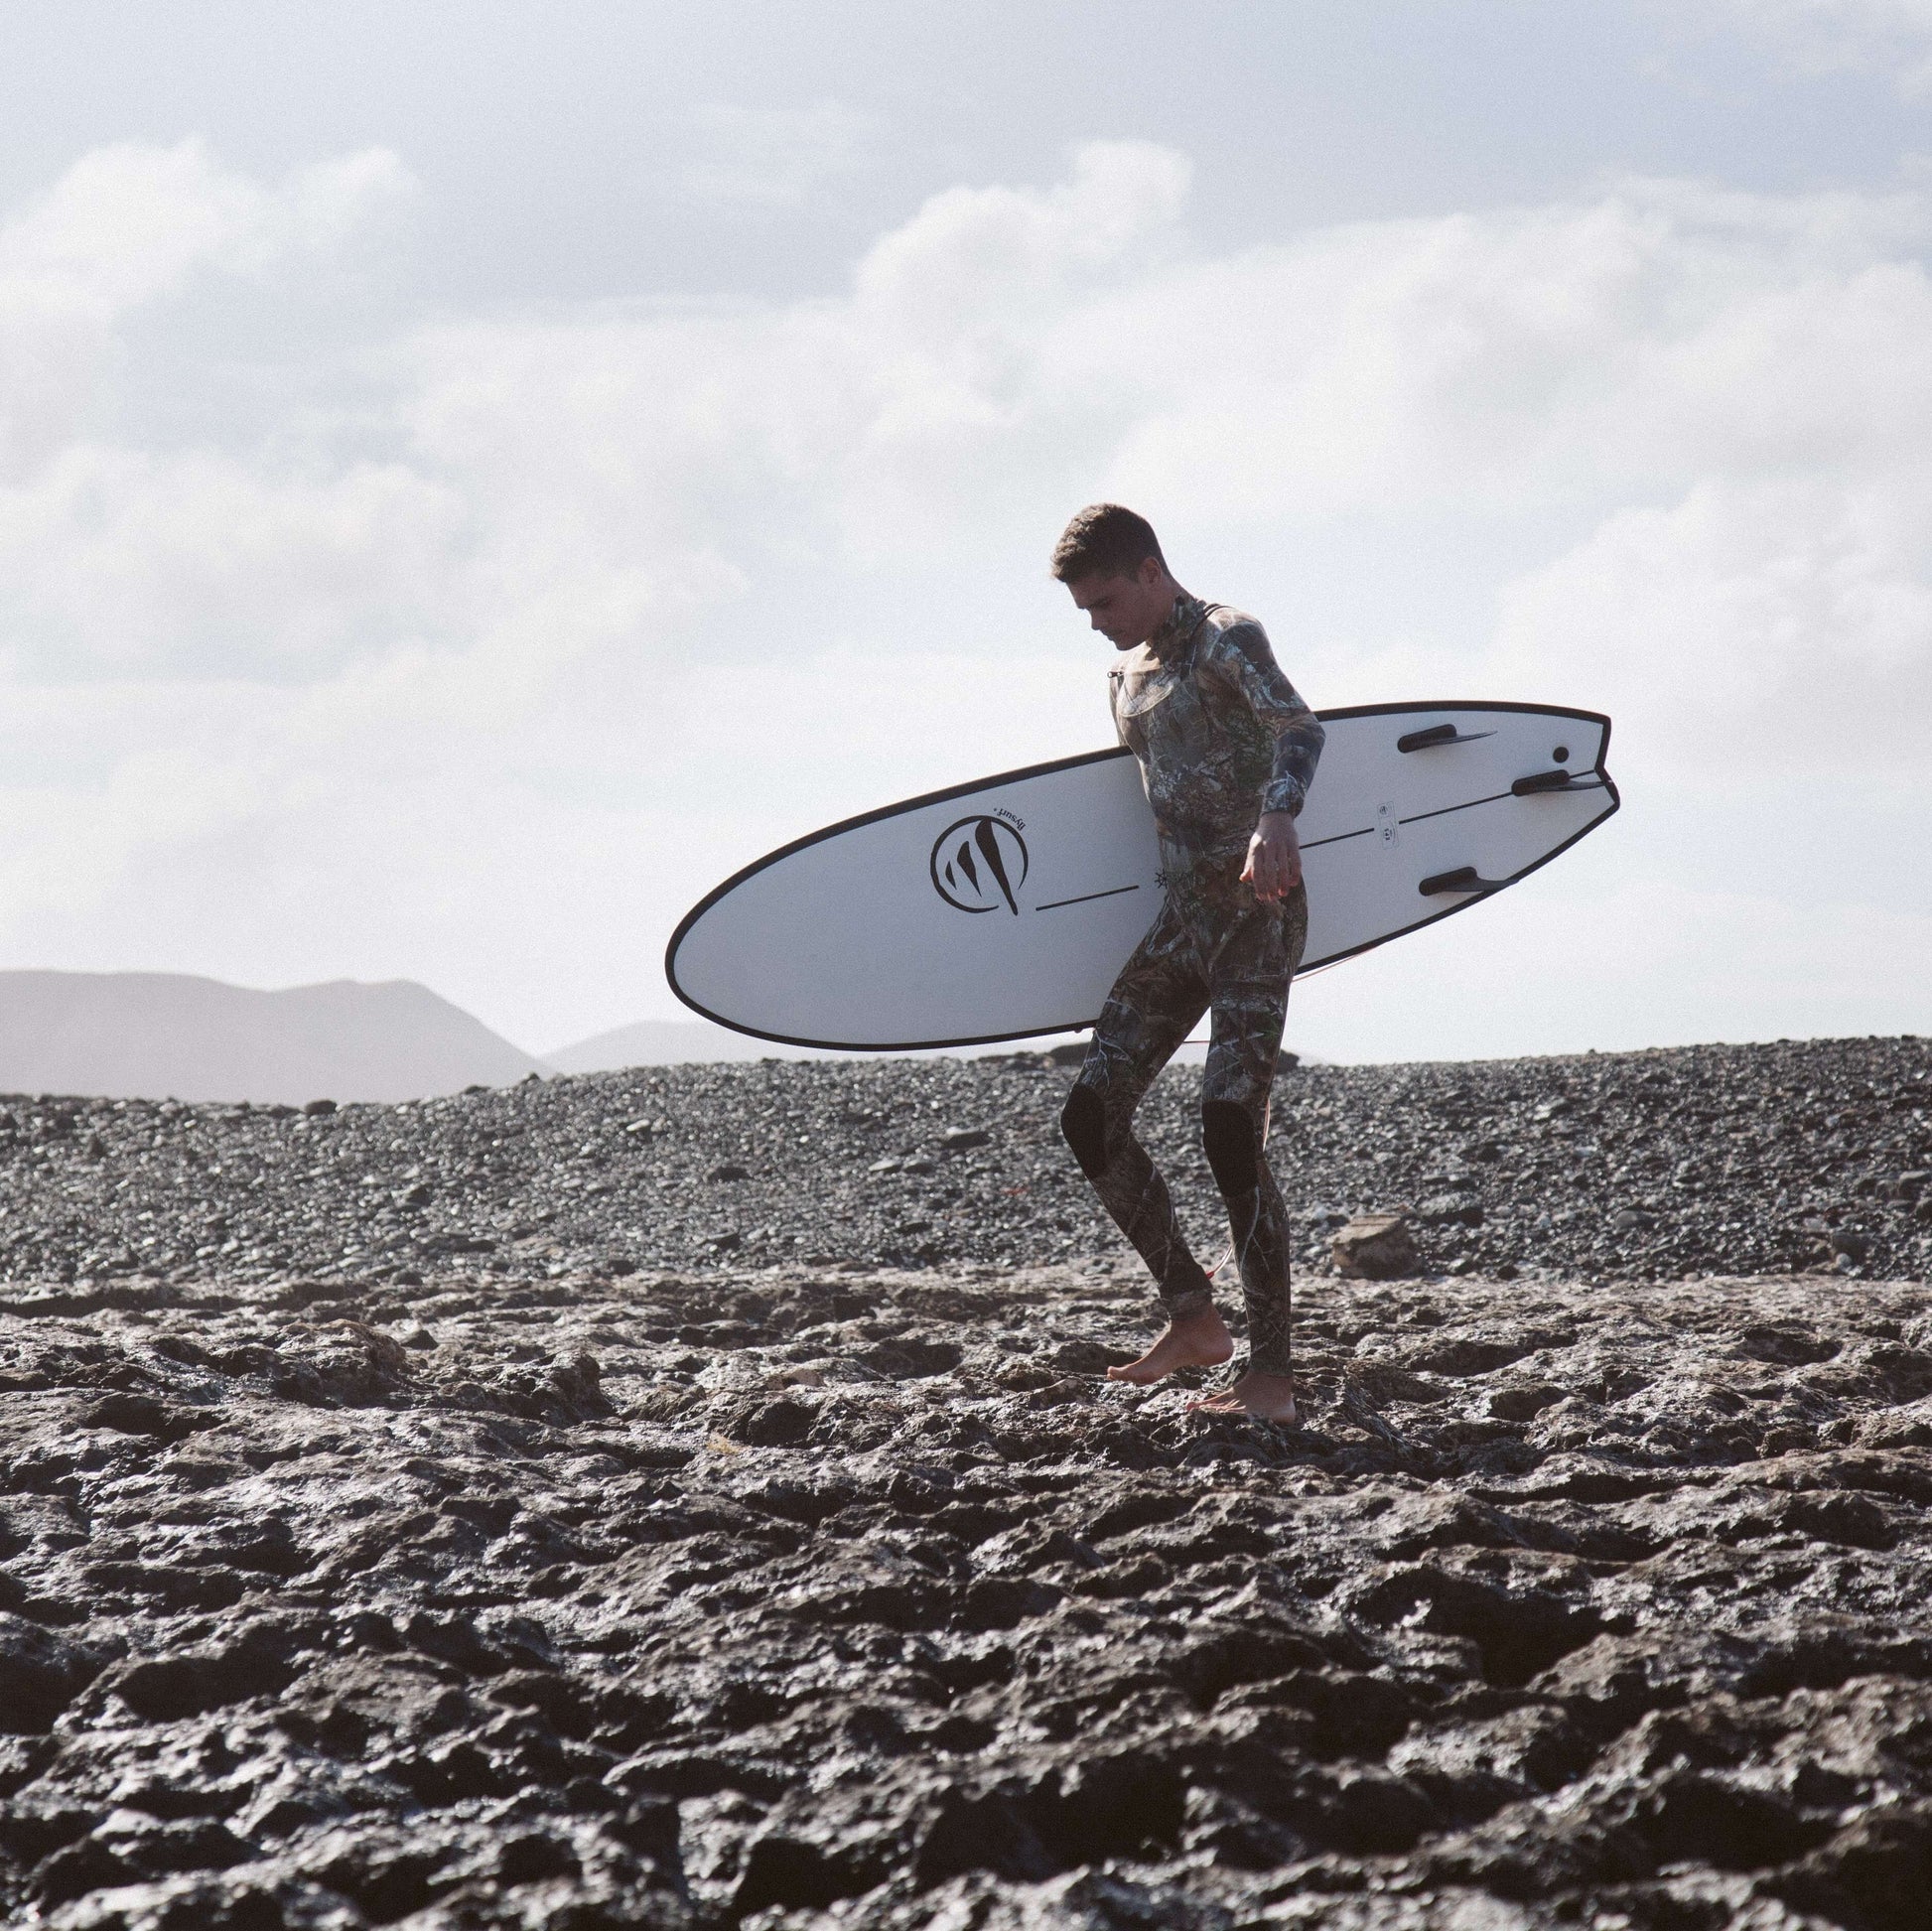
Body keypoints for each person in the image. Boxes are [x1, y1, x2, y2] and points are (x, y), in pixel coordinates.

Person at [1052, 504, 1323, 1422]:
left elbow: (1298, 727)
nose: (1098, 619)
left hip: (1257, 914)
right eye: (1085, 608)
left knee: (1226, 1129)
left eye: (1106, 598)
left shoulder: (1224, 638)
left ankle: (1272, 1374)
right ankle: (1193, 1316)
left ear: (1151, 568)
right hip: (1182, 922)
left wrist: (1275, 818)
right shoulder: (1123, 676)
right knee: (1090, 1117)